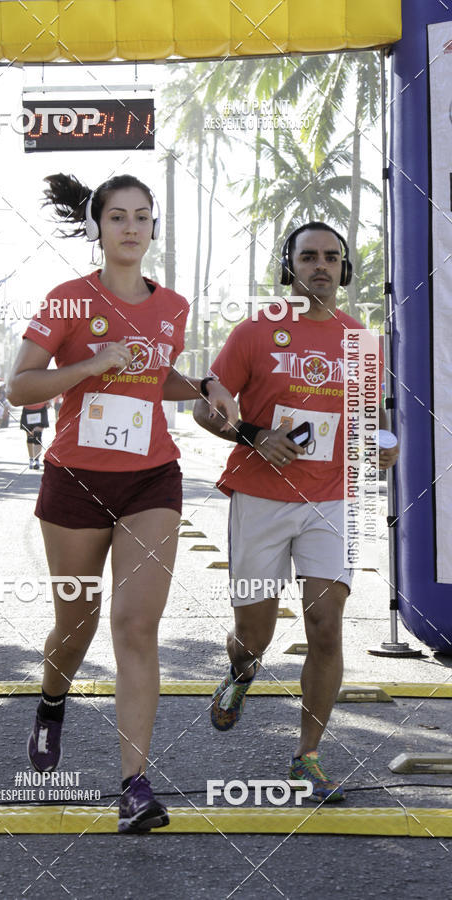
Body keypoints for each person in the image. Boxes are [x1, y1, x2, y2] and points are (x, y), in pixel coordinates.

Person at [7, 173, 238, 834]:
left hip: (151, 479)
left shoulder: (173, 306)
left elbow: (156, 375)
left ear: (152, 226)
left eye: (142, 216)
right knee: (75, 625)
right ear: (98, 228)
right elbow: (19, 387)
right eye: (118, 217)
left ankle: (134, 785)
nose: (131, 227)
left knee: (136, 625)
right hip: (75, 479)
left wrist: (203, 385)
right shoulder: (67, 302)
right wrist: (88, 365)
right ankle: (53, 701)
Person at [193, 222, 399, 803]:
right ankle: (240, 670)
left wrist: (381, 448)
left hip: (330, 501)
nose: (321, 267)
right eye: (308, 257)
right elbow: (207, 409)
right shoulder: (255, 332)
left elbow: (367, 426)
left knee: (326, 625)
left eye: (332, 257)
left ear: (344, 268)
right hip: (260, 500)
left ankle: (306, 756)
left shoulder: (362, 341)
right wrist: (255, 433)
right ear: (290, 267)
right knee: (254, 632)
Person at [20, 400, 50, 469]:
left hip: (41, 408)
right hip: (27, 408)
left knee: (37, 435)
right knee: (30, 437)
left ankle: (36, 460)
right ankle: (31, 458)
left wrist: (48, 400)